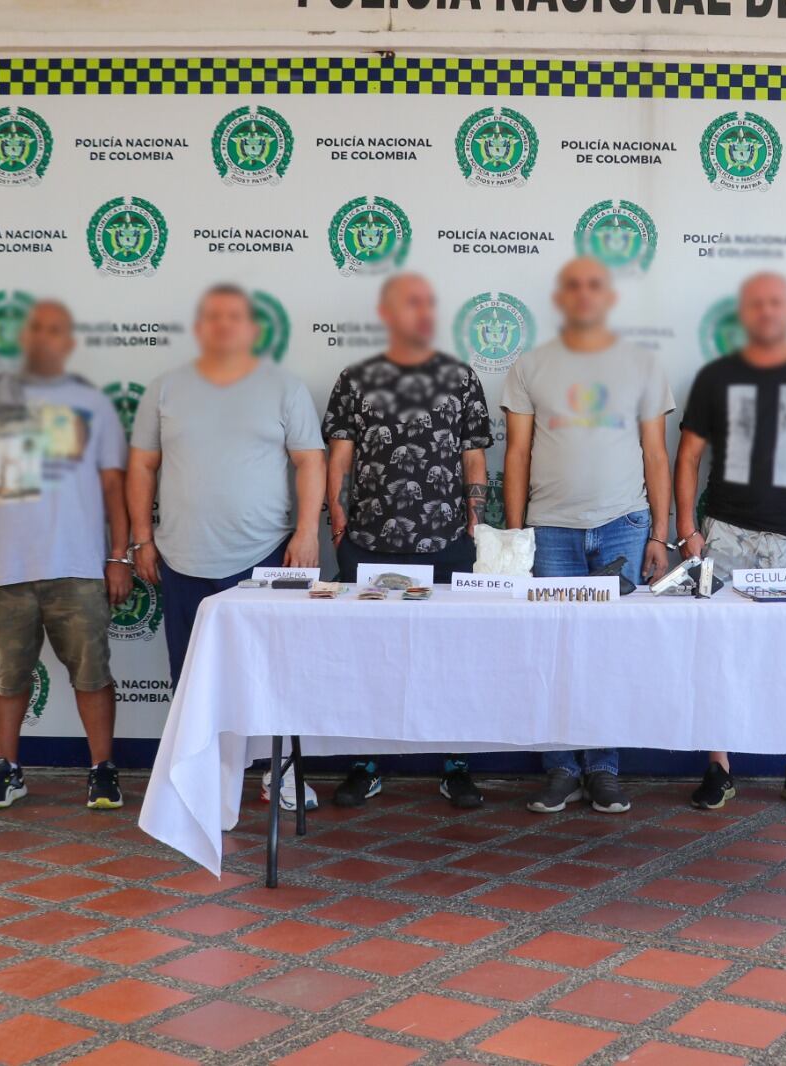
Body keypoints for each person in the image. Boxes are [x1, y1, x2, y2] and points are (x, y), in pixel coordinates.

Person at [126, 284, 327, 809]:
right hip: (180, 558)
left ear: (254, 329)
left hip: (267, 557)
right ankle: (203, 783)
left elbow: (310, 460)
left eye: (234, 317)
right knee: (190, 679)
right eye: (213, 316)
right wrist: (141, 540)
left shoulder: (284, 387)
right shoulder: (165, 388)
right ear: (200, 327)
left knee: (272, 675)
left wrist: (307, 532)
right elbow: (142, 466)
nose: (223, 325)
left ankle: (276, 774)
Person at [674, 273, 786, 810]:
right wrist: (688, 530)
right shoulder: (715, 377)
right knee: (718, 653)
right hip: (726, 534)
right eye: (757, 303)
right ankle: (719, 767)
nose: (766, 312)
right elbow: (687, 456)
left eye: (776, 302)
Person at [0, 300, 131, 811]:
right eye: (36, 330)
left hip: (80, 568)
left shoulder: (94, 405)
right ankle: (7, 769)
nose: (45, 339)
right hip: (6, 569)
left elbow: (116, 487)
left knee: (93, 676)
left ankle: (103, 771)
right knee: (7, 679)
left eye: (56, 331)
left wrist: (119, 557)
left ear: (69, 343)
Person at [502, 257, 675, 816]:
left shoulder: (643, 365)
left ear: (608, 297)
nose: (583, 295)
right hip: (549, 530)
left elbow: (655, 453)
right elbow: (518, 453)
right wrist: (513, 535)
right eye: (572, 285)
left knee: (607, 653)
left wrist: (661, 534)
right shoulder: (530, 366)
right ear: (561, 296)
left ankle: (602, 768)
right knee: (554, 649)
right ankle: (560, 768)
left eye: (594, 286)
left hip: (624, 525)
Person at [323, 274, 494, 810]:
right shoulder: (355, 378)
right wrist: (335, 510)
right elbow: (341, 452)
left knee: (453, 658)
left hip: (446, 542)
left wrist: (475, 518)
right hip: (370, 542)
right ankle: (365, 763)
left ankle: (456, 766)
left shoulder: (460, 378)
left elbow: (473, 454)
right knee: (368, 659)